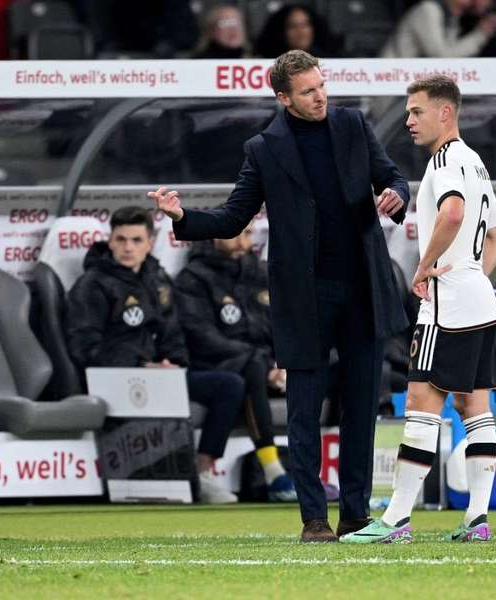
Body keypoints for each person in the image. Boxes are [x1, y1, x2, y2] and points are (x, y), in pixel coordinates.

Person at [149, 50, 410, 542]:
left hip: (362, 289)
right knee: (305, 410)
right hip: (303, 296)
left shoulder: (353, 124)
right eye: (309, 91)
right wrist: (182, 217)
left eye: (322, 85)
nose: (321, 96)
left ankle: (355, 514)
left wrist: (398, 194)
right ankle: (315, 518)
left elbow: (392, 177)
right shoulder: (263, 148)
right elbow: (231, 218)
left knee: (359, 406)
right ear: (283, 97)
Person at [341, 75, 496, 544]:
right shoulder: (475, 162)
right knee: (475, 406)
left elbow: (453, 214)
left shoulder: (446, 159)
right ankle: (477, 518)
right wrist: (474, 273)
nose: (409, 121)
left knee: (420, 403)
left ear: (445, 113)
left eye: (416, 112)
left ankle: (395, 518)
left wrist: (429, 264)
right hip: (477, 296)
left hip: (448, 302)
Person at [65, 206, 246, 504]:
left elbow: (173, 333)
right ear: (110, 241)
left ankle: (201, 473)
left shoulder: (158, 279)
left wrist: (172, 363)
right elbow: (85, 347)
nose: (127, 248)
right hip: (115, 377)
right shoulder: (92, 285)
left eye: (136, 240)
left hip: (159, 374)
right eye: (121, 239)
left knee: (230, 385)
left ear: (150, 242)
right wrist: (141, 365)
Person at [174, 221, 297, 502]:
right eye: (235, 234)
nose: (243, 242)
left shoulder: (262, 272)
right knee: (249, 370)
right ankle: (272, 468)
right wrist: (267, 366)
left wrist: (283, 361)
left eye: (248, 233)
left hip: (266, 368)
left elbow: (286, 323)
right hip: (212, 365)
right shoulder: (193, 278)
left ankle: (316, 472)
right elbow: (201, 336)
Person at [380, 0, 496, 58]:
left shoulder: (452, 18)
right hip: (392, 95)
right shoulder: (428, 9)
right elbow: (441, 58)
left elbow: (453, 57)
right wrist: (481, 33)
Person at [255, 4, 341, 58]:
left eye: (305, 25)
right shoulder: (270, 62)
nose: (300, 31)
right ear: (283, 32)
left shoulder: (330, 60)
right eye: (293, 26)